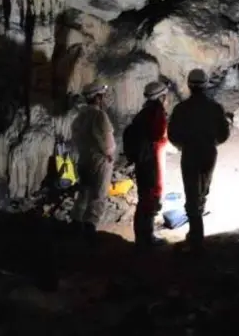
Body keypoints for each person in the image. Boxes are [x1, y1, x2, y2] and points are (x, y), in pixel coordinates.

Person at [168, 69, 230, 252]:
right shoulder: (215, 107)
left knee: (191, 191)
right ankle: (197, 233)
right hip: (209, 152)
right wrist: (212, 142)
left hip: (190, 152)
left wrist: (182, 145)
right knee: (203, 188)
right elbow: (224, 133)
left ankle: (196, 237)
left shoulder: (181, 109)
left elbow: (172, 134)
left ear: (189, 85)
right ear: (206, 84)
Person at [70, 81, 116, 240]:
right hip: (99, 161)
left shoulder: (80, 116)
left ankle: (76, 222)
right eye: (102, 96)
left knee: (83, 192)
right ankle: (90, 227)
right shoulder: (99, 115)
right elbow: (106, 139)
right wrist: (109, 154)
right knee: (98, 195)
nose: (104, 98)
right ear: (97, 97)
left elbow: (75, 137)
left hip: (83, 159)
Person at [127, 81, 170, 248]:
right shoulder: (156, 113)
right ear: (161, 96)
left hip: (142, 159)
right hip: (151, 159)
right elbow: (158, 135)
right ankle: (147, 237)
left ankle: (141, 237)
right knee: (151, 195)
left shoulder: (143, 113)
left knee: (144, 196)